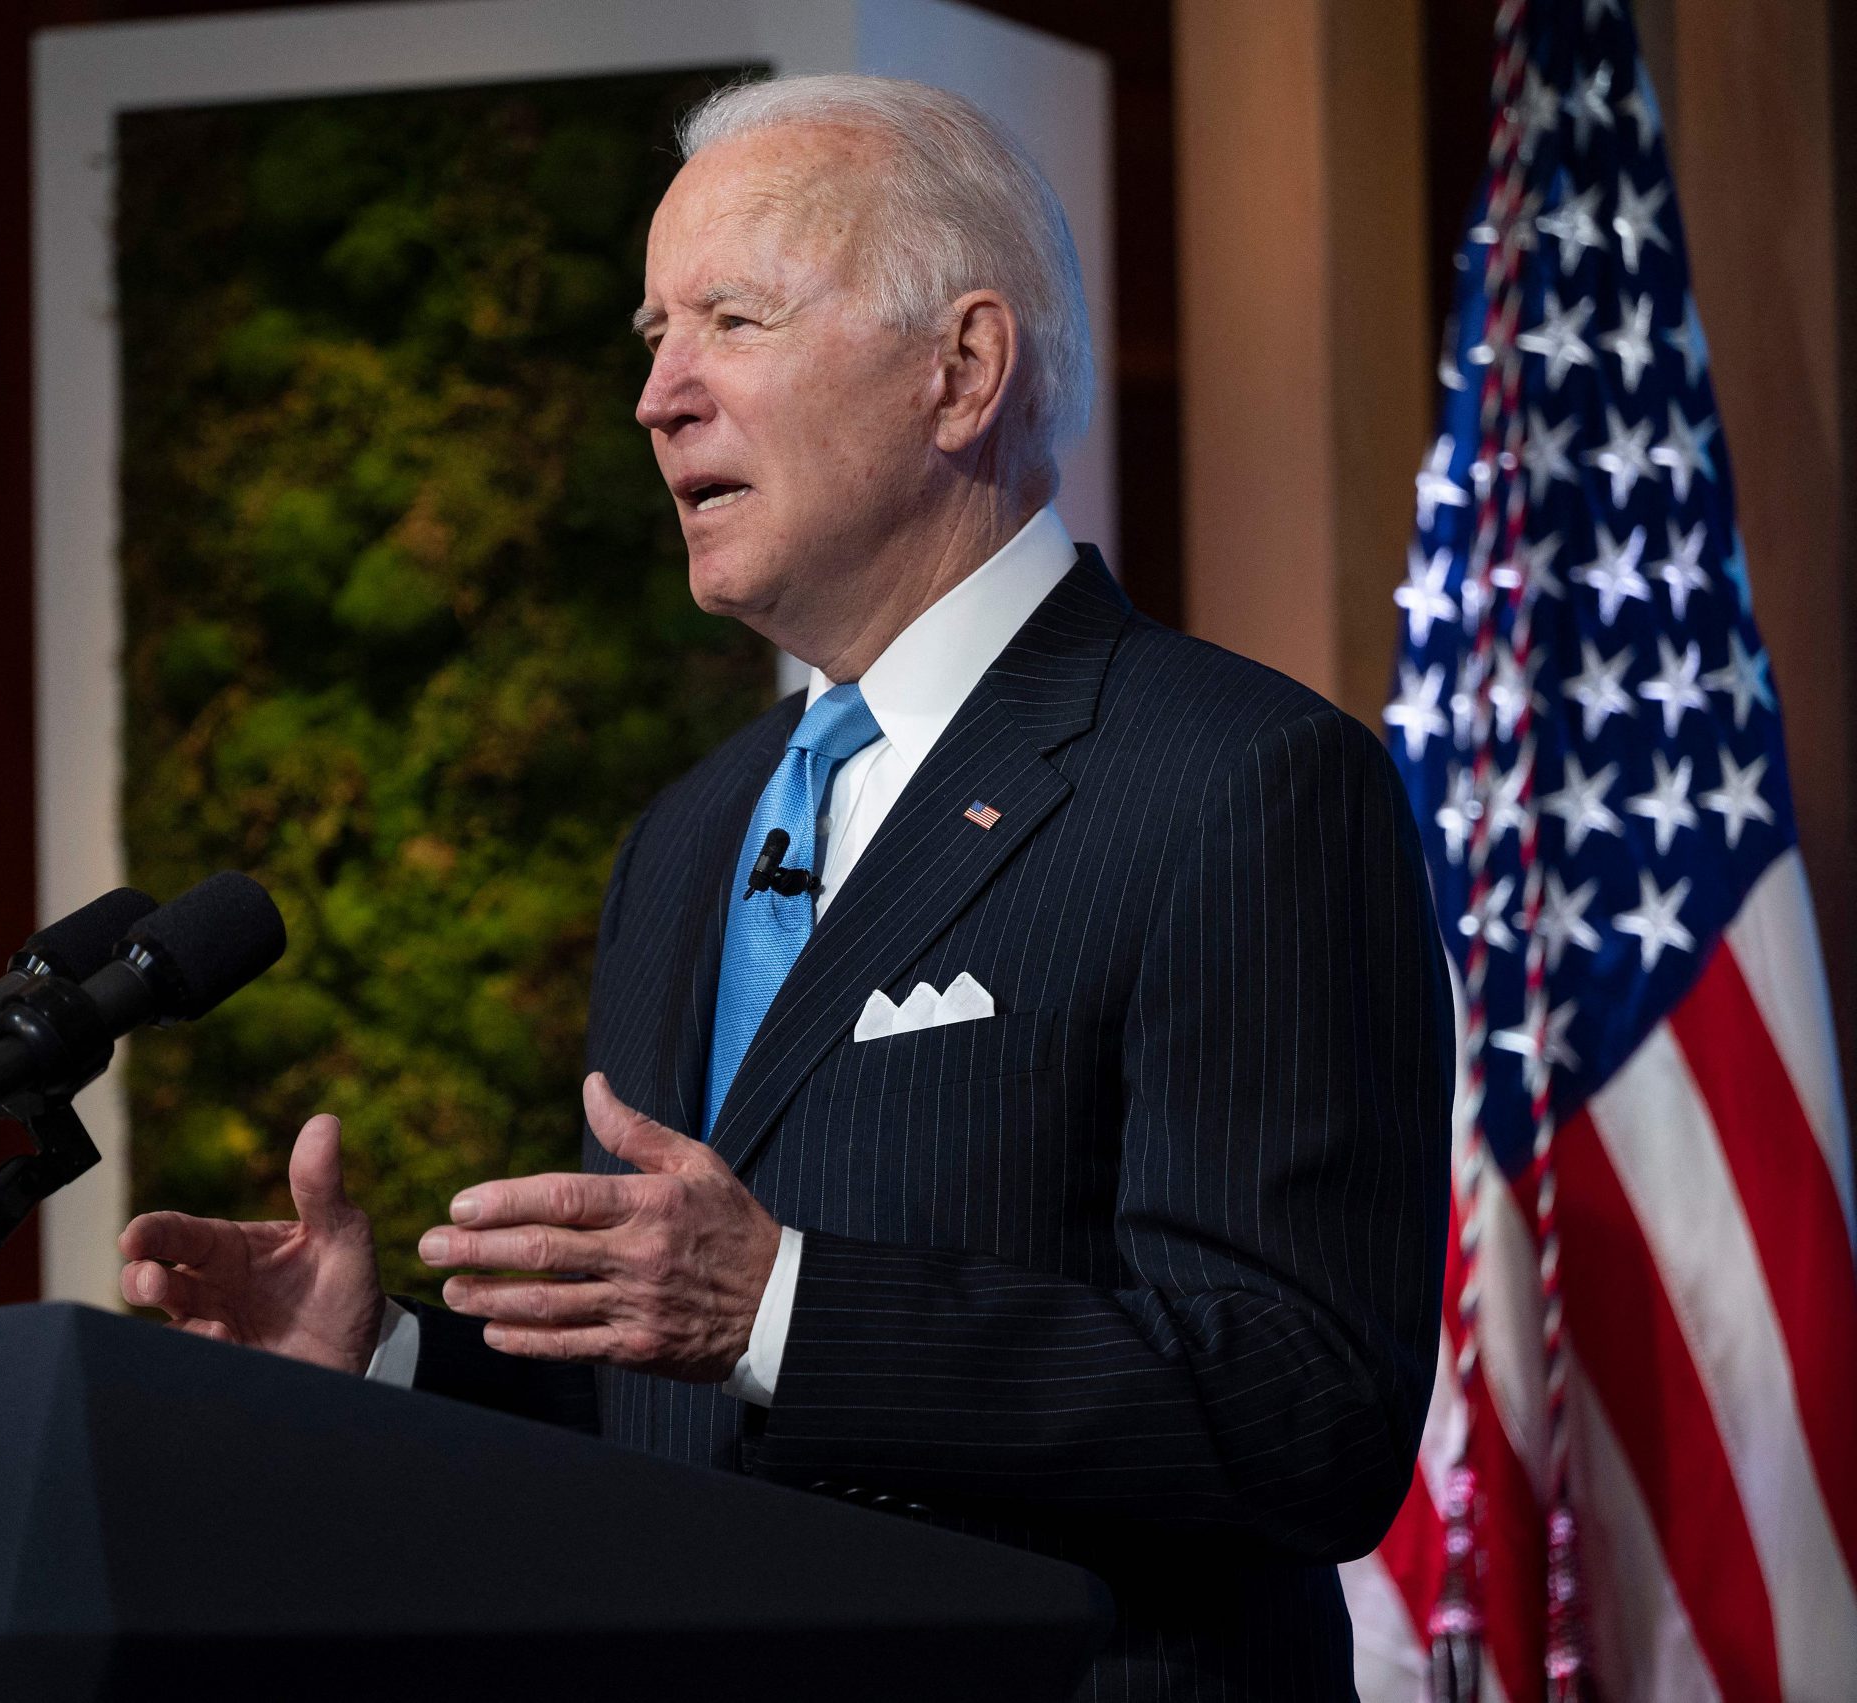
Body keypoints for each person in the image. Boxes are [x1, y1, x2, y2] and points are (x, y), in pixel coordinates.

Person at [117, 73, 1450, 1701]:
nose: (658, 398)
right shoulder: (688, 838)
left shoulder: (1237, 781)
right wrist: (378, 1361)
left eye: (731, 320)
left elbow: (1309, 1410)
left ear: (962, 371)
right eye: (651, 335)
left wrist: (785, 1306)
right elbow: (666, 1411)